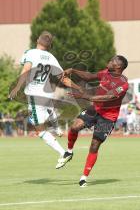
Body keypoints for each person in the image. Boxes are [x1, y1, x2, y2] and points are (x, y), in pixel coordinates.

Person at [9, 31, 82, 166]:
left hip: (35, 96)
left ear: (37, 40)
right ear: (49, 46)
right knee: (48, 109)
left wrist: (17, 87)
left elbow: (26, 69)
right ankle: (57, 128)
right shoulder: (51, 57)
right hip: (47, 94)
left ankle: (64, 153)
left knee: (39, 129)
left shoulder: (30, 53)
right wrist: (77, 88)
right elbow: (63, 78)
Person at [56, 55, 129, 187]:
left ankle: (84, 177)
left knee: (94, 145)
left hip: (108, 117)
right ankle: (69, 151)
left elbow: (109, 96)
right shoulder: (106, 72)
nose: (109, 61)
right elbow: (90, 76)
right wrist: (73, 70)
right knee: (74, 127)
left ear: (118, 66)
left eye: (113, 61)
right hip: (95, 109)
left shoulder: (123, 83)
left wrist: (85, 96)